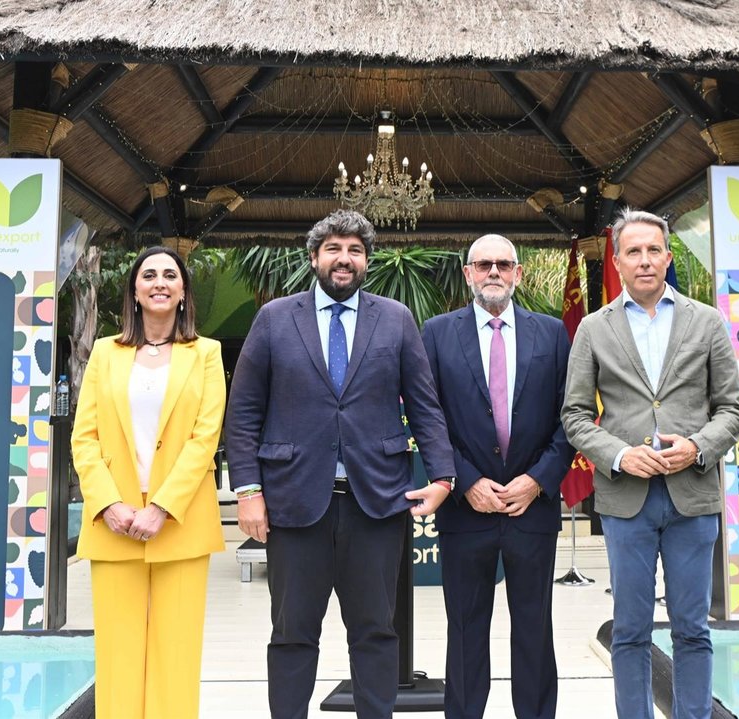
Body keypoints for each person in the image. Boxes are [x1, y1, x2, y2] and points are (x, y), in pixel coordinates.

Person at [224, 209, 458, 719]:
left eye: (354, 250)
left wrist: (442, 476)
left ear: (367, 261)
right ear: (314, 258)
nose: (343, 258)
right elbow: (242, 412)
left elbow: (424, 405)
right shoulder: (274, 318)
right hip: (292, 505)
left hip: (375, 505)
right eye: (333, 249)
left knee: (376, 632)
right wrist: (247, 492)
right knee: (291, 635)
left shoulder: (394, 319)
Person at [560, 208, 739, 719]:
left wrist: (698, 447)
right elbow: (575, 415)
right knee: (630, 630)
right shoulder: (594, 329)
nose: (644, 260)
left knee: (692, 629)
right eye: (633, 251)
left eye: (653, 250)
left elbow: (732, 407)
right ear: (617, 262)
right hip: (626, 500)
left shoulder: (706, 321)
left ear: (668, 256)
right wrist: (619, 454)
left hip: (693, 495)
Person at [422, 234, 574, 719]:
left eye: (503, 264)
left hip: (533, 507)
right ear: (467, 273)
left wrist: (538, 480)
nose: (493, 272)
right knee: (465, 630)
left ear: (518, 274)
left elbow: (569, 417)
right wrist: (464, 481)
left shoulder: (551, 333)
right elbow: (429, 420)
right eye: (483, 264)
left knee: (534, 628)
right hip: (467, 510)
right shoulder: (437, 333)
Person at [71, 246, 226, 719]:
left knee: (175, 655)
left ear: (182, 292)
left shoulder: (207, 354)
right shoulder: (104, 353)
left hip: (179, 525)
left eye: (170, 275)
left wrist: (160, 507)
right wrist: (109, 505)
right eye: (149, 275)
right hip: (112, 524)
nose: (159, 282)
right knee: (118, 658)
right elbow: (85, 438)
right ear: (135, 291)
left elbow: (205, 439)